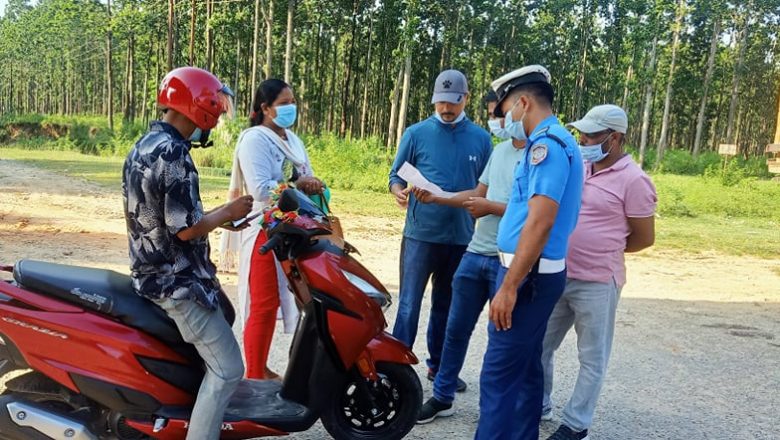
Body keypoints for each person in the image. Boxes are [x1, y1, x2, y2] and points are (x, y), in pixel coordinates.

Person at [122, 66, 248, 440]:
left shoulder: (144, 144)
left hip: (151, 272)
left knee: (225, 316)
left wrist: (222, 221)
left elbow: (168, 215)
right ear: (199, 106)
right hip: (176, 283)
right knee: (228, 370)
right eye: (214, 106)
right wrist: (228, 211)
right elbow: (185, 228)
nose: (217, 115)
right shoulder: (175, 152)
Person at [475, 65, 584, 440]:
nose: (504, 121)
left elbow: (540, 221)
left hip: (528, 276)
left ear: (522, 103)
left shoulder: (546, 146)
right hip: (536, 274)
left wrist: (509, 287)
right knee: (524, 369)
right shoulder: (557, 140)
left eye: (505, 112)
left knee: (498, 373)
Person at [541, 105, 657, 440]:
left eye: (592, 134)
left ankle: (576, 424)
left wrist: (602, 248)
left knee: (591, 357)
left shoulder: (634, 180)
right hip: (559, 273)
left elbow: (643, 238)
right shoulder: (579, 166)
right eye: (582, 133)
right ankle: (540, 403)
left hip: (598, 282)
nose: (583, 139)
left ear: (615, 138)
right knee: (540, 345)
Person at [415, 90, 526, 423]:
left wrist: (490, 207)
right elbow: (478, 195)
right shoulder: (502, 151)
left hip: (507, 259)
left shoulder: (539, 155)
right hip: (475, 252)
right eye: (493, 114)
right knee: (455, 327)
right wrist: (439, 197)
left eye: (499, 114)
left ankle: (494, 411)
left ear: (521, 109)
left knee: (501, 339)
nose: (496, 121)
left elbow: (536, 212)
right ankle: (442, 395)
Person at [389, 69, 493, 390]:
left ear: (466, 99)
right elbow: (395, 175)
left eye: (453, 102)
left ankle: (439, 367)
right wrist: (398, 191)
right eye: (441, 103)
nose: (446, 109)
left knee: (447, 305)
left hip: (462, 237)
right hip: (421, 235)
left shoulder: (482, 138)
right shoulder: (416, 133)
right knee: (408, 303)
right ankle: (395, 368)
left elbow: (486, 187)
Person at [229, 78, 324, 380]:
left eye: (292, 101)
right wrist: (297, 186)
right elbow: (259, 189)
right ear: (265, 108)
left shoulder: (293, 140)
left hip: (295, 229)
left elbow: (303, 175)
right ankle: (255, 374)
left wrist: (310, 184)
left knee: (300, 298)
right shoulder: (254, 139)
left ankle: (264, 368)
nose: (290, 108)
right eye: (284, 103)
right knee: (264, 302)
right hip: (265, 229)